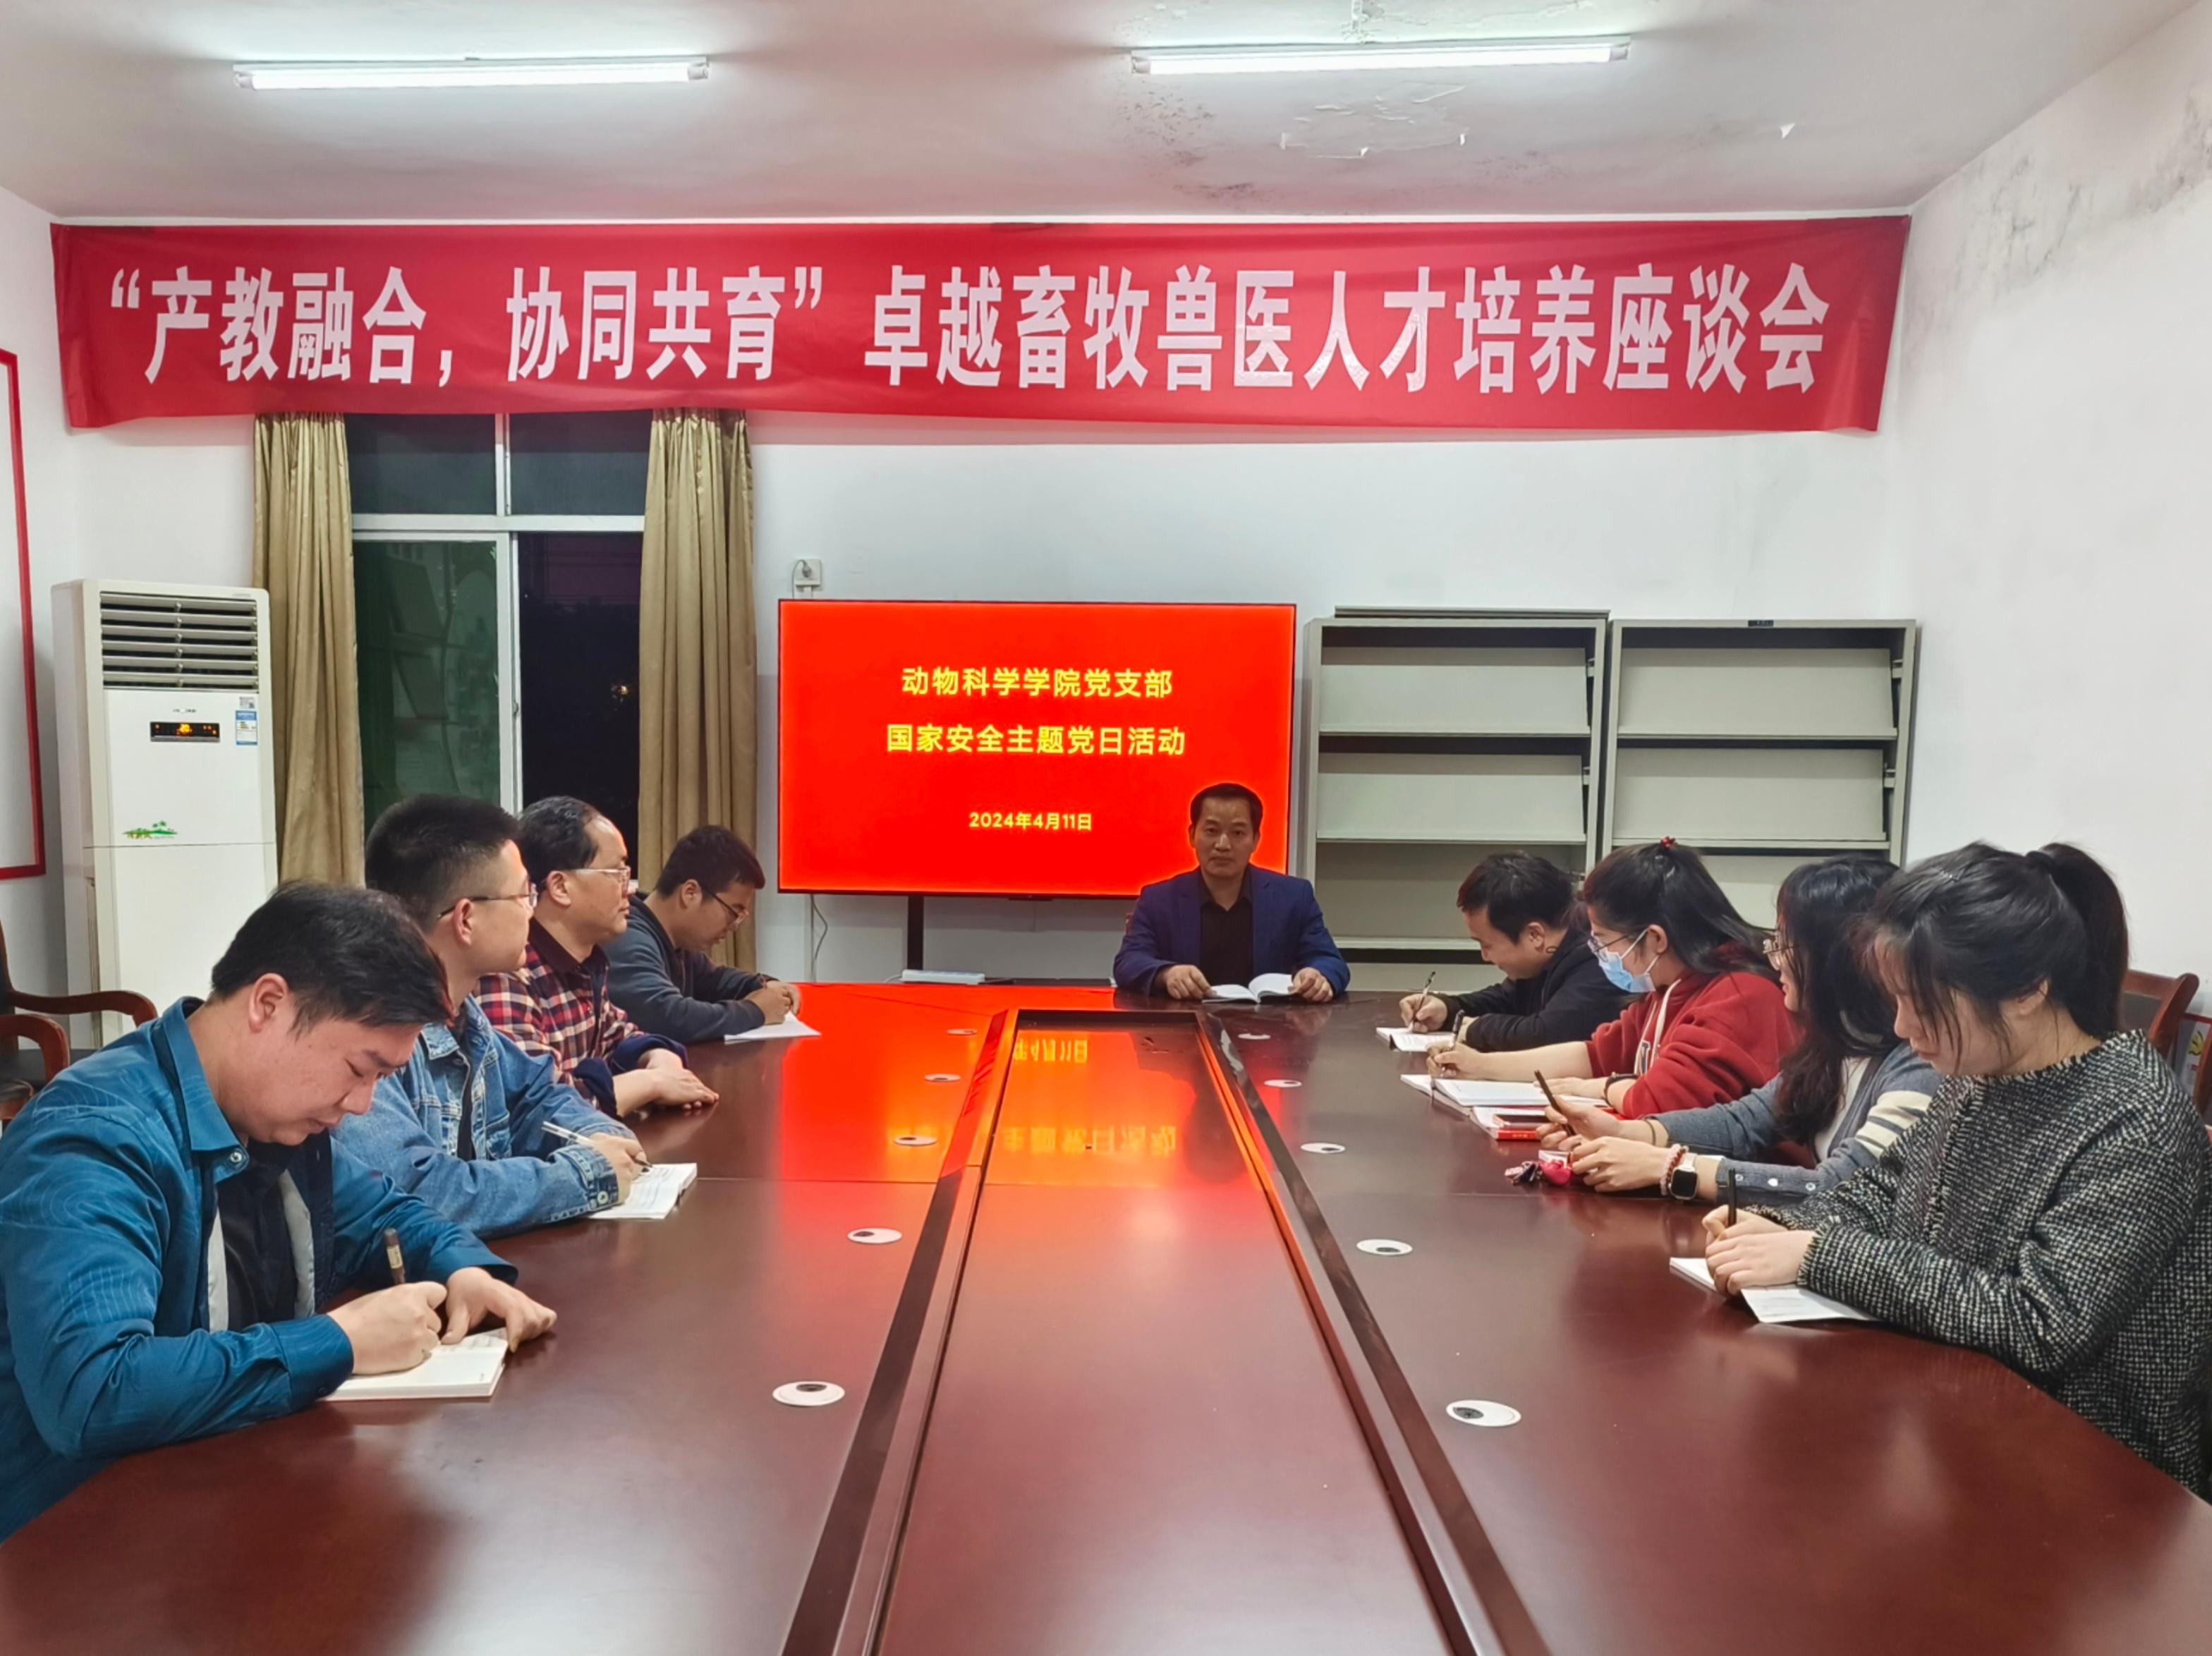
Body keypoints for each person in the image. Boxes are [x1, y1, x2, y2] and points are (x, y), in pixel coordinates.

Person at [0, 884, 558, 1541]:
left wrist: (463, 1269)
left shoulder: (278, 1117)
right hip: (71, 1538)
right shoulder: (94, 1139)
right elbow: (93, 1394)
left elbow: (383, 1216)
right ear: (268, 1003)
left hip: (226, 1490)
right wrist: (340, 1342)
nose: (361, 1105)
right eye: (360, 1068)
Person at [1705, 843, 2212, 1494]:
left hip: (2093, 1476)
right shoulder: (1983, 1075)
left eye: (1922, 1002)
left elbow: (2042, 1323)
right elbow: (1882, 1190)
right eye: (1896, 998)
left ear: (2028, 990)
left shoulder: (2133, 1115)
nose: (1902, 1026)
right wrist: (1776, 1229)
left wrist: (1817, 1255)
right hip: (1957, 1423)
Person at [335, 795, 648, 1235]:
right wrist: (586, 1174)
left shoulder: (467, 1019)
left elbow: (539, 1095)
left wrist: (601, 1137)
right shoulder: (372, 1035)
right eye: (523, 895)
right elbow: (420, 1193)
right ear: (465, 919)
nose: (532, 910)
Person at [1542, 856, 1936, 1203]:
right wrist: (1629, 1133)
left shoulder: (1917, 1065)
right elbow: (1743, 1121)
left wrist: (1673, 1167)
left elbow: (1840, 1189)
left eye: (1786, 944)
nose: (1774, 957)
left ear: (1839, 960)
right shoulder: (1837, 1044)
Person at [1431, 838, 1794, 1117]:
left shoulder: (1738, 996)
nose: (1599, 953)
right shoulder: (1669, 988)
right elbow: (1595, 1054)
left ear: (1654, 939)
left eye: (1604, 941)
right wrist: (1478, 1065)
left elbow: (1658, 1101)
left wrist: (1596, 1089)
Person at [478, 796, 717, 1119]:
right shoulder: (508, 972)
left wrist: (660, 1058)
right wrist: (652, 1083)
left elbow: (618, 1035)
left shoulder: (586, 962)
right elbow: (536, 1110)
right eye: (616, 873)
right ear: (560, 887)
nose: (629, 889)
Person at [1112, 783, 1348, 1002]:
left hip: (1271, 1027)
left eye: (1237, 833)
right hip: (1187, 1024)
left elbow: (1330, 960)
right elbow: (1129, 961)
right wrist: (1167, 974)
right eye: (1211, 831)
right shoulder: (1158, 900)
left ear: (1256, 840)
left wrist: (1317, 975)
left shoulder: (1294, 896)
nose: (1223, 845)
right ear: (1192, 835)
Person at [1397, 852, 1628, 1051]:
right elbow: (1509, 999)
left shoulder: (1600, 956)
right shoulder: (1552, 950)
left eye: (1487, 945)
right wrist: (1448, 1009)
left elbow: (1547, 1035)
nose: (1485, 957)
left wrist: (1473, 1029)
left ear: (1534, 935)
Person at [606, 824, 798, 1042]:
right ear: (690, 893)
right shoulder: (626, 935)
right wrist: (755, 1011)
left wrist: (763, 985)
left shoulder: (675, 941)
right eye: (732, 912)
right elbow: (668, 1017)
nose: (734, 926)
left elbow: (715, 980)